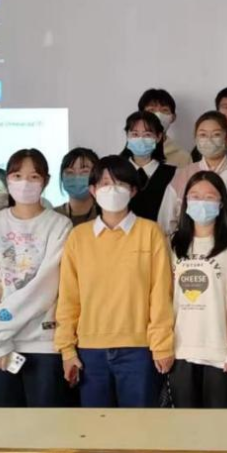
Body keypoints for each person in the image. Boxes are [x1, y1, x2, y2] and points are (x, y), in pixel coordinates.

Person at [55, 155, 175, 408]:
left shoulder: (150, 232)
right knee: (96, 427)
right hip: (89, 350)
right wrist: (67, 349)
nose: (112, 189)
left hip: (139, 350)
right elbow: (68, 298)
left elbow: (160, 295)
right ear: (93, 190)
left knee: (140, 426)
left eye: (120, 183)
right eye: (105, 183)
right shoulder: (78, 237)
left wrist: (162, 345)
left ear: (133, 190)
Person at [0, 149, 74, 409]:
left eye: (33, 176)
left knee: (46, 427)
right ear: (8, 179)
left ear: (45, 181)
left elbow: (45, 287)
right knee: (2, 428)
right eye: (17, 176)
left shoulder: (59, 225)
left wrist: (0, 329)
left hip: (42, 343)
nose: (25, 183)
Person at [170, 171, 227, 409]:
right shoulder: (174, 244)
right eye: (195, 196)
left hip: (220, 353)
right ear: (185, 202)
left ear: (221, 202)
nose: (201, 202)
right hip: (180, 351)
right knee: (183, 426)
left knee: (221, 428)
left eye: (209, 197)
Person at [158, 112, 227, 235]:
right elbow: (166, 223)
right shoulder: (183, 175)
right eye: (203, 135)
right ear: (196, 138)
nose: (209, 140)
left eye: (216, 134)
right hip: (189, 243)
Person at [121, 110, 177, 222]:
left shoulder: (173, 174)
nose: (140, 139)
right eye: (135, 134)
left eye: (147, 135)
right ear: (127, 135)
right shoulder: (116, 172)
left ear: (158, 137)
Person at [139, 88, 192, 167]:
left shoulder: (183, 158)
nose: (158, 115)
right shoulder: (129, 155)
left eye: (164, 110)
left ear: (173, 117)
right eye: (151, 110)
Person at [55, 148, 100, 227]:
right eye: (69, 172)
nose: (77, 176)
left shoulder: (105, 216)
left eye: (84, 172)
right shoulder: (53, 216)